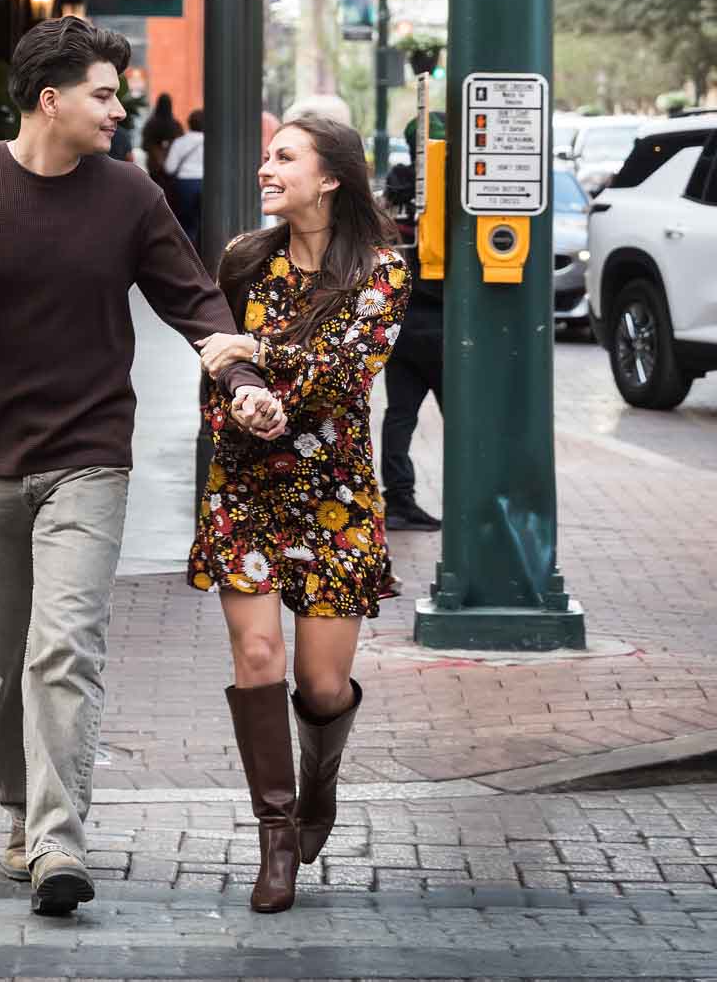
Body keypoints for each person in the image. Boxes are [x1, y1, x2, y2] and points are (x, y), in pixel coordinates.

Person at [0, 17, 287, 917]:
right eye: (105, 94)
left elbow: (197, 302)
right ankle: (21, 815)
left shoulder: (129, 198)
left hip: (90, 459)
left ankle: (60, 842)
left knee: (64, 647)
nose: (120, 109)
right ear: (50, 98)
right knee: (1, 658)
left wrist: (244, 376)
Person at [189, 115, 410, 914]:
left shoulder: (381, 270)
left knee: (320, 684)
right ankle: (275, 835)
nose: (266, 169)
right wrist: (237, 401)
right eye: (266, 157)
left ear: (331, 178)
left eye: (284, 158)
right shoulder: (246, 261)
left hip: (335, 496)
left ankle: (320, 781)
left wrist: (249, 363)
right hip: (245, 485)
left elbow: (343, 370)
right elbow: (219, 369)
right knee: (257, 656)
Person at [377, 116, 444, 531]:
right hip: (443, 325)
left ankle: (399, 500)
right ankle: (471, 500)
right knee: (464, 418)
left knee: (400, 416)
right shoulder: (447, 195)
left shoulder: (392, 196)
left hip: (400, 326)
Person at [164, 108, 206, 246]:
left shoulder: (180, 142)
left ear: (189, 123)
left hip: (184, 185)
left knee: (186, 224)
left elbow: (169, 168)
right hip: (206, 184)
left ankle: (187, 253)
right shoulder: (214, 143)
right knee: (204, 222)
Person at [140, 91, 182, 189]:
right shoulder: (176, 126)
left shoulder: (150, 125)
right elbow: (181, 145)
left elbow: (144, 145)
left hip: (154, 167)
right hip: (172, 167)